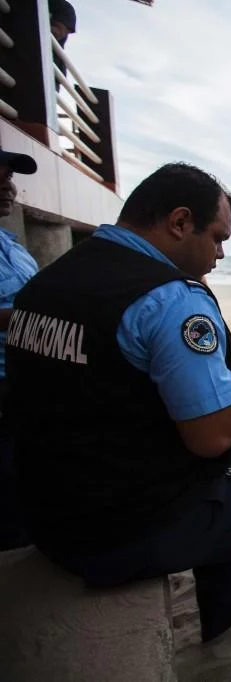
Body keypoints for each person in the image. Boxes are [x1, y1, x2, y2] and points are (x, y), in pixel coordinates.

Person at [5, 163, 231, 681]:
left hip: (49, 508)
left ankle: (229, 601)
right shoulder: (168, 298)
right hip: (118, 530)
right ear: (179, 221)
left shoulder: (46, 280)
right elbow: (214, 435)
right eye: (216, 238)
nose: (220, 253)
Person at [0, 147, 39, 551]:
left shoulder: (11, 243)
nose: (8, 185)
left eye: (9, 176)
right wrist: (37, 312)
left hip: (25, 379)